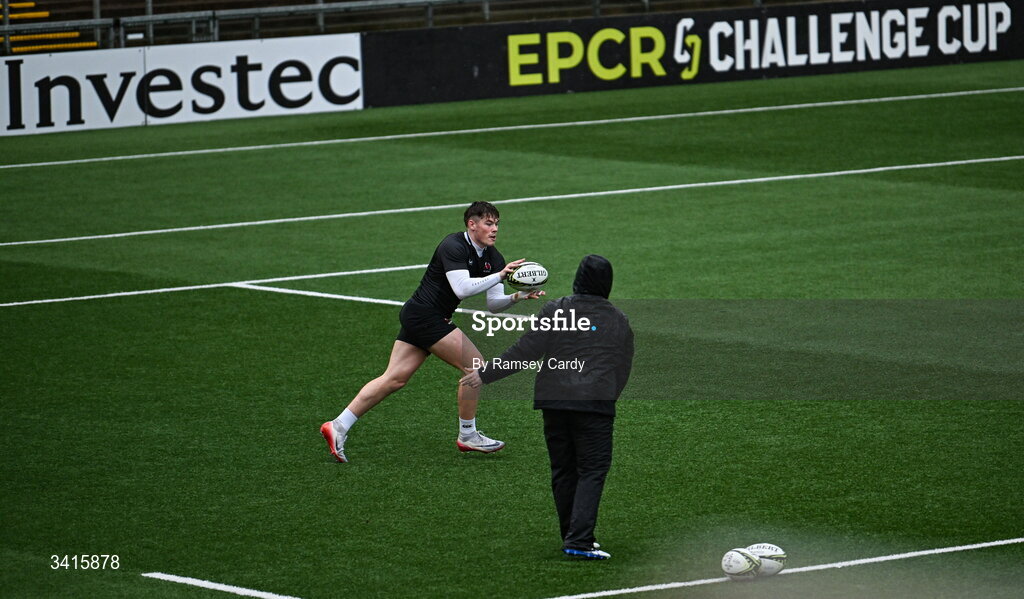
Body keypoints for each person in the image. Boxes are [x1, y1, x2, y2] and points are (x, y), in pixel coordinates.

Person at [320, 201, 544, 463]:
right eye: (488, 223)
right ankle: (468, 435)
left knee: (394, 379)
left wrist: (518, 295)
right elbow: (461, 289)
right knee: (476, 369)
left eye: (496, 224)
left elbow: (493, 305)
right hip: (426, 316)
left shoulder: (494, 258)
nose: (494, 229)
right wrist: (500, 276)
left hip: (424, 318)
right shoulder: (454, 246)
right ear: (472, 224)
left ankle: (338, 426)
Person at [460, 255, 633, 560]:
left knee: (563, 469)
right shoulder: (617, 319)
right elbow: (623, 366)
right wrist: (607, 396)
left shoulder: (557, 309)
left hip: (554, 401)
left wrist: (485, 375)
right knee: (592, 470)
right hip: (594, 404)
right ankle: (579, 541)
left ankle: (572, 535)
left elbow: (527, 350)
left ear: (578, 280)